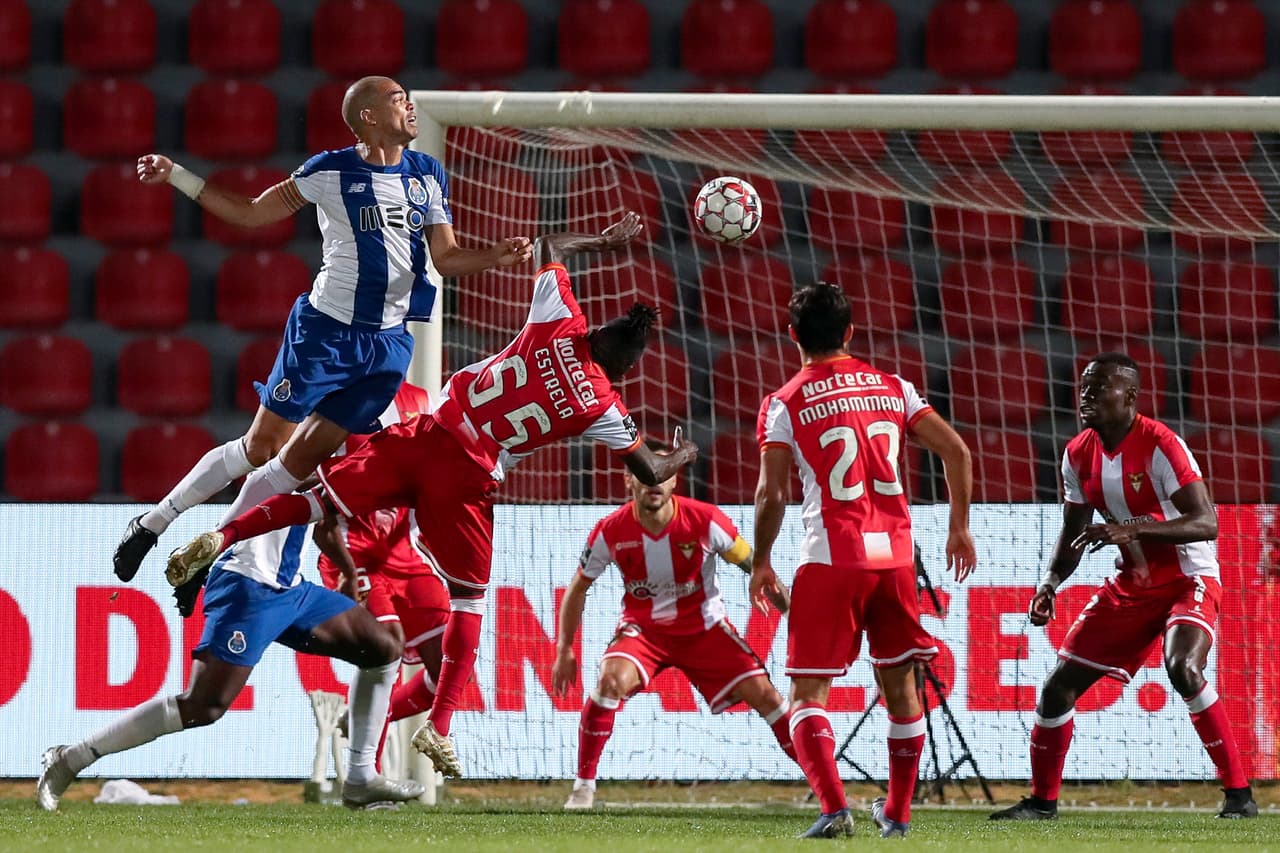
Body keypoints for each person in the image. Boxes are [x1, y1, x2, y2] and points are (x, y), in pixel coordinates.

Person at [166, 212, 699, 781]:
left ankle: (219, 534)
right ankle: (439, 727)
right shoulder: (601, 403)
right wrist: (684, 454)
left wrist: (604, 240)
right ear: (622, 371)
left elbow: (547, 241)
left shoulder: (559, 319)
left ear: (595, 330)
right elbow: (651, 466)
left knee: (318, 498)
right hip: (466, 480)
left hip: (430, 432)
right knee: (469, 601)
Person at [113, 75, 533, 583]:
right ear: (370, 117)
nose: (410, 106)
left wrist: (495, 255)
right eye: (398, 99)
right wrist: (178, 175)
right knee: (259, 449)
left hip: (388, 348)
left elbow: (444, 258)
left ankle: (211, 553)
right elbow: (249, 214)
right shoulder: (330, 171)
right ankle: (153, 522)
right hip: (324, 336)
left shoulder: (427, 174)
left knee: (295, 464)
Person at [748, 281, 977, 839]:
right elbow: (957, 450)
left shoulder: (784, 402)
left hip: (831, 556)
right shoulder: (894, 388)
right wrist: (959, 528)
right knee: (901, 689)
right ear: (850, 332)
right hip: (895, 558)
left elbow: (771, 494)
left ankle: (834, 810)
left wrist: (760, 562)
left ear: (792, 335)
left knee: (807, 694)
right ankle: (897, 816)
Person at [989, 353, 1257, 822]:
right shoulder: (1077, 452)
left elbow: (1206, 522)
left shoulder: (1161, 445)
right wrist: (1050, 582)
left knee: (1182, 668)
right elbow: (1073, 531)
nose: (1086, 396)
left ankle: (1240, 795)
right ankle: (1042, 803)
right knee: (1057, 689)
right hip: (1131, 586)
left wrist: (1132, 528)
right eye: (1084, 387)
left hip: (1188, 577)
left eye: (1100, 387)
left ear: (1130, 397)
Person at [37, 509, 424, 811]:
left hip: (292, 589)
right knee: (203, 706)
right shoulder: (290, 442)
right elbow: (248, 497)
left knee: (383, 648)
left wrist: (348, 572)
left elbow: (321, 523)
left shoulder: (331, 444)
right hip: (247, 586)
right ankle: (70, 758)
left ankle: (359, 778)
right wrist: (199, 555)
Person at [550, 437, 795, 810]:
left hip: (705, 630)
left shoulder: (707, 520)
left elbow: (757, 567)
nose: (654, 482)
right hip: (644, 633)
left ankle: (825, 785)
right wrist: (565, 649)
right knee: (609, 680)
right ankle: (583, 787)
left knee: (767, 697)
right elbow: (577, 588)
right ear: (628, 481)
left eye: (662, 474)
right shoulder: (610, 530)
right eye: (645, 474)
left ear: (675, 480)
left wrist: (794, 613)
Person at [310, 381, 449, 727]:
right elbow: (317, 515)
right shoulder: (336, 404)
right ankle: (365, 769)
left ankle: (357, 724)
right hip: (351, 553)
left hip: (401, 551)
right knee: (385, 651)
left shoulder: (425, 401)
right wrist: (346, 571)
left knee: (449, 669)